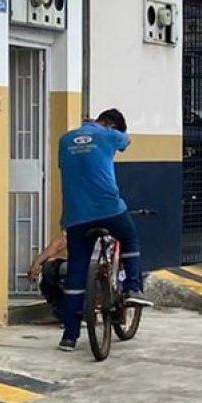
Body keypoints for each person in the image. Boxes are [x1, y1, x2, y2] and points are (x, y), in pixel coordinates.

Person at [49, 109, 152, 352]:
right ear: (111, 125)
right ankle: (132, 288)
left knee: (76, 272)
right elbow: (127, 141)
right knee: (129, 237)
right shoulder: (109, 135)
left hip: (75, 215)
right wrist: (110, 133)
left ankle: (69, 337)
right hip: (109, 208)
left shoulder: (64, 140)